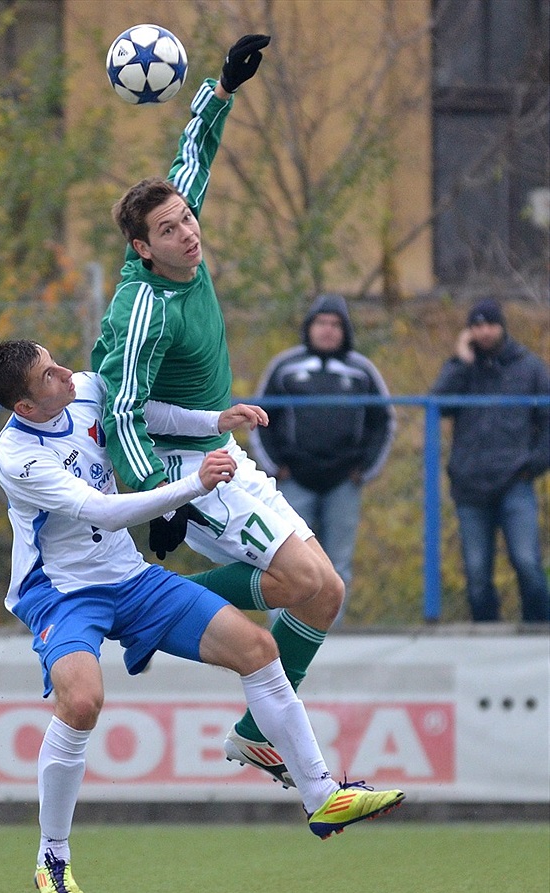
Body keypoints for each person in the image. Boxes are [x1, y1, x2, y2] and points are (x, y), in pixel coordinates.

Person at [0, 339, 405, 893]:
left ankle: (322, 795)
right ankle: (52, 856)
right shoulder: (18, 457)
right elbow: (104, 511)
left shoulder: (83, 389)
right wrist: (193, 485)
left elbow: (144, 413)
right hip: (62, 592)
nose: (64, 373)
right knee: (81, 703)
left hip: (128, 577)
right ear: (26, 406)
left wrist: (215, 421)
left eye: (54, 360)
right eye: (48, 375)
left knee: (257, 647)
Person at [91, 35, 345, 790]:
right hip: (184, 465)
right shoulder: (144, 307)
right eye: (169, 229)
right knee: (302, 581)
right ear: (142, 248)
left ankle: (254, 734)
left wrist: (223, 89)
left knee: (326, 592)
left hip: (219, 448)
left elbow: (192, 157)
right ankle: (147, 609)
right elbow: (123, 410)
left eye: (186, 220)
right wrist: (161, 501)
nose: (188, 231)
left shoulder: (182, 243)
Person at [249, 294, 395, 625]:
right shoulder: (285, 367)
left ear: (345, 330)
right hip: (294, 481)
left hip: (343, 481)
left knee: (336, 564)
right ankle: (282, 634)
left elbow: (383, 422)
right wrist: (275, 467)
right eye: (321, 322)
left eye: (335, 324)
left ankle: (329, 633)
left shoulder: (362, 371)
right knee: (285, 559)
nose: (328, 330)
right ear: (309, 327)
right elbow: (261, 419)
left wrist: (364, 470)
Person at [430, 299, 550, 623]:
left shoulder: (529, 367)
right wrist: (460, 361)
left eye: (490, 325)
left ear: (502, 327)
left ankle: (539, 634)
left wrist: (533, 465)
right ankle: (486, 639)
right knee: (477, 573)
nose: (484, 332)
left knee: (527, 563)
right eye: (477, 326)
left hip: (515, 482)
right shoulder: (463, 369)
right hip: (470, 485)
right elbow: (437, 405)